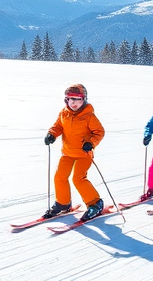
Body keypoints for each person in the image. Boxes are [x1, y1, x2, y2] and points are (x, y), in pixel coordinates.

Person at [43, 84, 107, 221]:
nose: (74, 103)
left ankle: (95, 203)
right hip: (67, 153)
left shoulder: (89, 116)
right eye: (71, 99)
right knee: (60, 176)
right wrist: (52, 134)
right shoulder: (63, 113)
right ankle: (63, 203)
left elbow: (99, 132)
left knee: (78, 178)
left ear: (84, 100)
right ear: (66, 100)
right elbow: (58, 126)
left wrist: (91, 142)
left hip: (84, 155)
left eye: (78, 99)